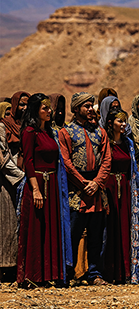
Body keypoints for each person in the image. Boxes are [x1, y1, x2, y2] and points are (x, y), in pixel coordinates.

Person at [17, 93, 73, 287]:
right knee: (35, 228)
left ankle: (50, 274)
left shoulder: (50, 132)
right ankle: (32, 275)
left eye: (49, 108)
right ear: (35, 110)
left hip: (53, 184)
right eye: (44, 108)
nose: (49, 111)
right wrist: (36, 189)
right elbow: (29, 161)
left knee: (50, 228)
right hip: (37, 183)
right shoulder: (29, 132)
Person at [57, 92, 113, 285]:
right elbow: (66, 162)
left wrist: (97, 182)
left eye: (92, 106)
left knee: (97, 235)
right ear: (76, 109)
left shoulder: (100, 132)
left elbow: (107, 160)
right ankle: (68, 273)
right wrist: (83, 183)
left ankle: (94, 273)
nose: (91, 110)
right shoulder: (66, 132)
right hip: (76, 191)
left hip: (97, 190)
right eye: (86, 106)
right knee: (72, 233)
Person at [101, 108, 139, 284]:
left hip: (126, 189)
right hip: (110, 188)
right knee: (110, 229)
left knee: (126, 228)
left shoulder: (128, 144)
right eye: (120, 121)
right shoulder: (105, 143)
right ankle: (110, 273)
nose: (124, 124)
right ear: (111, 123)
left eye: (125, 121)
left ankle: (128, 272)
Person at [0, 101, 25, 281]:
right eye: (5, 112)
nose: (9, 115)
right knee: (6, 224)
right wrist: (20, 176)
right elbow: (3, 157)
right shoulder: (1, 128)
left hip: (17, 181)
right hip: (6, 182)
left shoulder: (19, 128)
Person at [1, 92, 30, 169]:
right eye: (22, 104)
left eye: (28, 105)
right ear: (15, 105)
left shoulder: (32, 125)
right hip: (13, 169)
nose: (25, 108)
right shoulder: (5, 124)